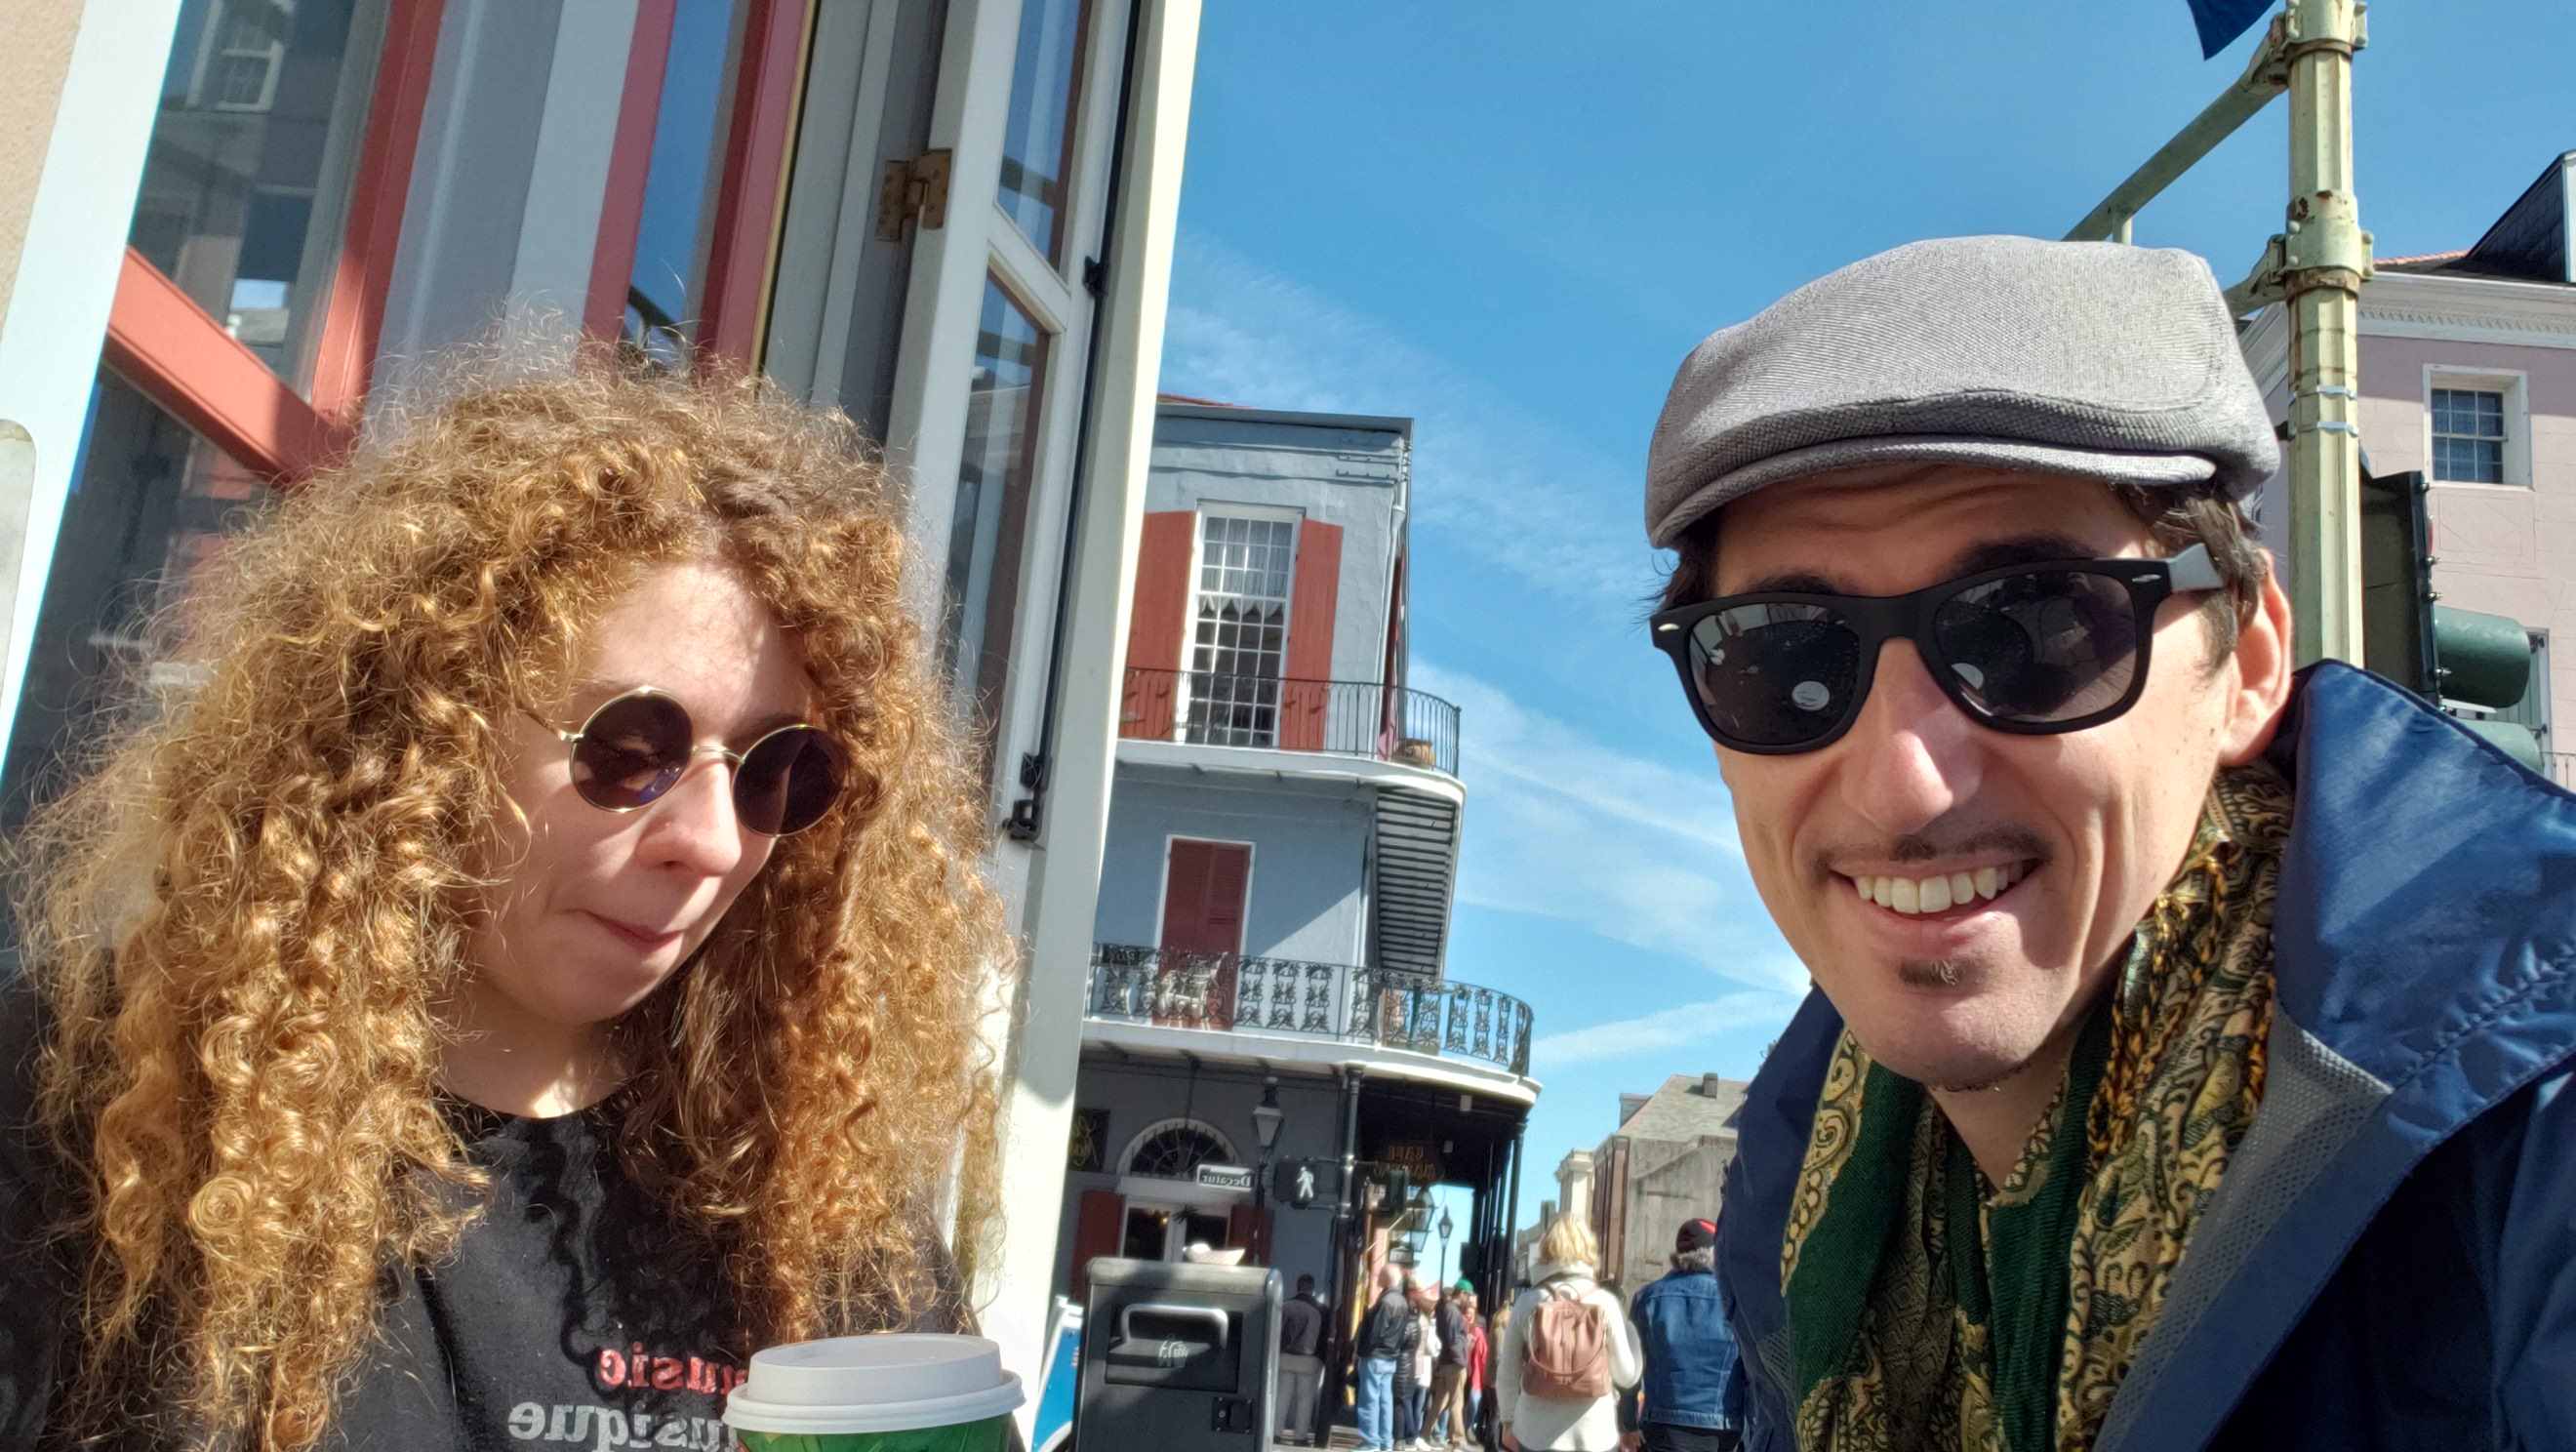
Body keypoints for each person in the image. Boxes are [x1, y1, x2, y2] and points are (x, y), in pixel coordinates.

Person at [1641, 235, 2576, 1451]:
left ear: (2246, 666)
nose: (1902, 786)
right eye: (1783, 655)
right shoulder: (1793, 1202)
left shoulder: (2532, 1138)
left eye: (2035, 631)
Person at [0, 356, 1009, 1450]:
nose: (716, 843)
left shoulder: (811, 1192)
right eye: (633, 747)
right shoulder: (85, 1116)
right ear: (426, 733)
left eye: (778, 770)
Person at [1497, 1215, 1640, 1451]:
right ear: (1589, 1249)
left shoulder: (1527, 1302)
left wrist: (1508, 1422)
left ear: (1546, 1248)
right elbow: (1626, 1376)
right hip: (1595, 1436)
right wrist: (1632, 1334)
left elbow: (1507, 1374)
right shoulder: (1606, 1302)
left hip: (1535, 1435)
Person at [1623, 1219, 1744, 1452]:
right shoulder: (1734, 1299)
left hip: (1662, 1426)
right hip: (1722, 1427)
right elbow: (1751, 1373)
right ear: (1715, 1251)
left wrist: (1627, 1424)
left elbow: (1631, 1370)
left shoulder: (1648, 1297)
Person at [1355, 1265, 1410, 1451]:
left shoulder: (1386, 1301)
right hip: (1390, 1357)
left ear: (1386, 1278)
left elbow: (1375, 1332)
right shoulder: (1402, 1301)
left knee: (1369, 1400)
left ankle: (1370, 1442)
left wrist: (1362, 1351)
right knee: (1385, 1401)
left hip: (1376, 1356)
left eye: (1380, 1274)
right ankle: (1385, 1441)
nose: (1377, 1276)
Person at [1276, 1273, 1328, 1446]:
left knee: (1282, 1396)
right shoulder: (1321, 1309)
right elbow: (1325, 1336)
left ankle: (1275, 1433)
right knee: (1305, 1398)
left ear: (1297, 1287)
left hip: (1285, 1357)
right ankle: (1300, 1437)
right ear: (1312, 1290)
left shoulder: (1284, 1305)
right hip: (1309, 1359)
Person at [1395, 1275, 1440, 1449]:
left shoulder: (1416, 1318)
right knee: (1413, 1403)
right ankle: (1412, 1435)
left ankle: (1412, 1434)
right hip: (1419, 1365)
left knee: (1407, 1401)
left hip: (1411, 1364)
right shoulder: (1423, 1319)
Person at [1430, 1279, 1473, 1448]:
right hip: (1454, 1363)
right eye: (1467, 1296)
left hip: (1447, 1361)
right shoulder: (1452, 1311)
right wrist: (1461, 1359)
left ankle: (1424, 1433)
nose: (1468, 1300)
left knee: (1440, 1401)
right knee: (1457, 1401)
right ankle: (1459, 1439)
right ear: (1461, 1294)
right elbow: (1453, 1338)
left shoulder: (1446, 1309)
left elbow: (1450, 1337)